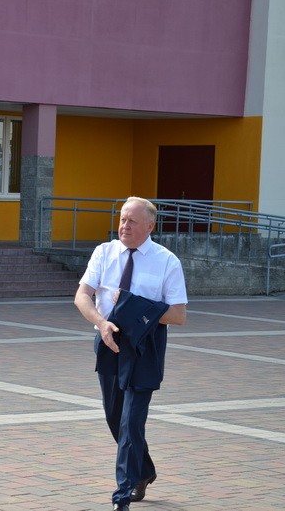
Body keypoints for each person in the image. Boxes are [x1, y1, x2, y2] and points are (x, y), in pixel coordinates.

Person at [73, 197, 188, 511]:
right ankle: (144, 471)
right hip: (108, 340)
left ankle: (122, 495)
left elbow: (178, 315)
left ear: (150, 226)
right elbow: (82, 296)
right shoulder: (104, 252)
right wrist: (102, 323)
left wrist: (134, 306)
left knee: (130, 422)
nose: (124, 226)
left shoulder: (167, 261)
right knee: (114, 417)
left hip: (145, 347)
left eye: (132, 221)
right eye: (122, 219)